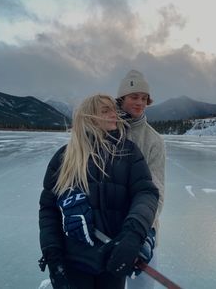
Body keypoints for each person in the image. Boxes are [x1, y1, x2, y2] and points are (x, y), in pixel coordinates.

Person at [38, 94, 159, 289]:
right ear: (88, 117)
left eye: (113, 109)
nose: (115, 114)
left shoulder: (128, 152)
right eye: (105, 111)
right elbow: (48, 209)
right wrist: (52, 253)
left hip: (113, 261)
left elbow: (146, 193)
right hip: (74, 262)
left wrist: (132, 234)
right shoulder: (64, 158)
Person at [116, 70, 165, 289]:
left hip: (141, 229)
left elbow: (157, 191)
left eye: (144, 98)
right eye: (134, 96)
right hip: (107, 227)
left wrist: (147, 233)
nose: (140, 102)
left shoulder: (153, 140)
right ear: (122, 99)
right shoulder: (106, 130)